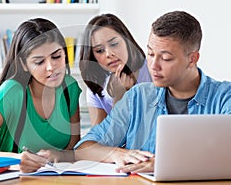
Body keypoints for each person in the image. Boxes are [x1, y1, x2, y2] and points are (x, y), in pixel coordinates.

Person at [74, 11, 231, 173]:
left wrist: (169, 163)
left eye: (166, 58)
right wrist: (118, 154)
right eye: (150, 54)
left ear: (192, 59)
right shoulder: (137, 97)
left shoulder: (225, 97)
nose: (153, 66)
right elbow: (83, 148)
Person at [0, 18, 82, 173]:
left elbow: (74, 150)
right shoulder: (12, 92)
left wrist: (59, 155)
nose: (51, 68)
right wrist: (14, 160)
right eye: (39, 62)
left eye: (56, 56)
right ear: (24, 64)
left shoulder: (70, 88)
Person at [79, 13, 151, 125]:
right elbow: (100, 138)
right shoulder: (96, 87)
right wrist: (119, 97)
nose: (109, 54)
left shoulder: (152, 70)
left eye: (114, 44)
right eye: (99, 50)